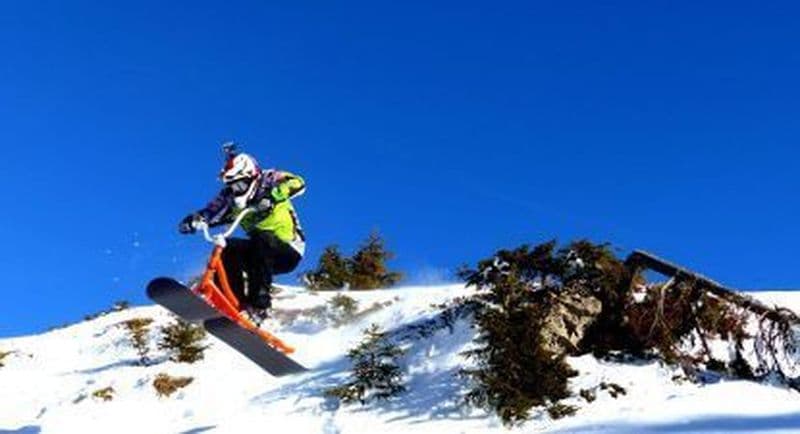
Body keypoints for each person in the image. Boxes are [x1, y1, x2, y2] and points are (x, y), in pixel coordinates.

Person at [178, 144, 306, 323]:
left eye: (239, 184)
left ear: (251, 177)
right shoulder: (229, 196)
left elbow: (297, 182)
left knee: (263, 238)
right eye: (232, 185)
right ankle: (235, 304)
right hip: (258, 254)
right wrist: (195, 220)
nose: (236, 189)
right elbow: (212, 211)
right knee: (227, 247)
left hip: (287, 250)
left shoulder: (269, 179)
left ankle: (259, 306)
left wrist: (273, 196)